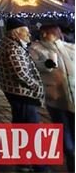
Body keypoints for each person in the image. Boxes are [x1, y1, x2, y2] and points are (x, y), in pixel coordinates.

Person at [0, 18, 46, 170]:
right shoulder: (13, 47)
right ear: (17, 33)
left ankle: (23, 161)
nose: (29, 34)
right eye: (26, 32)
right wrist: (37, 87)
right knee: (31, 128)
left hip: (12, 90)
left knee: (20, 125)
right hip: (21, 93)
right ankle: (40, 166)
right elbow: (21, 73)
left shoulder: (8, 43)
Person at [28, 24, 74, 169]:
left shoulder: (70, 47)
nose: (55, 34)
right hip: (55, 98)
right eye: (51, 32)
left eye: (56, 31)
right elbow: (44, 67)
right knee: (64, 132)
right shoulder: (35, 49)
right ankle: (71, 159)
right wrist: (51, 53)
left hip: (73, 96)